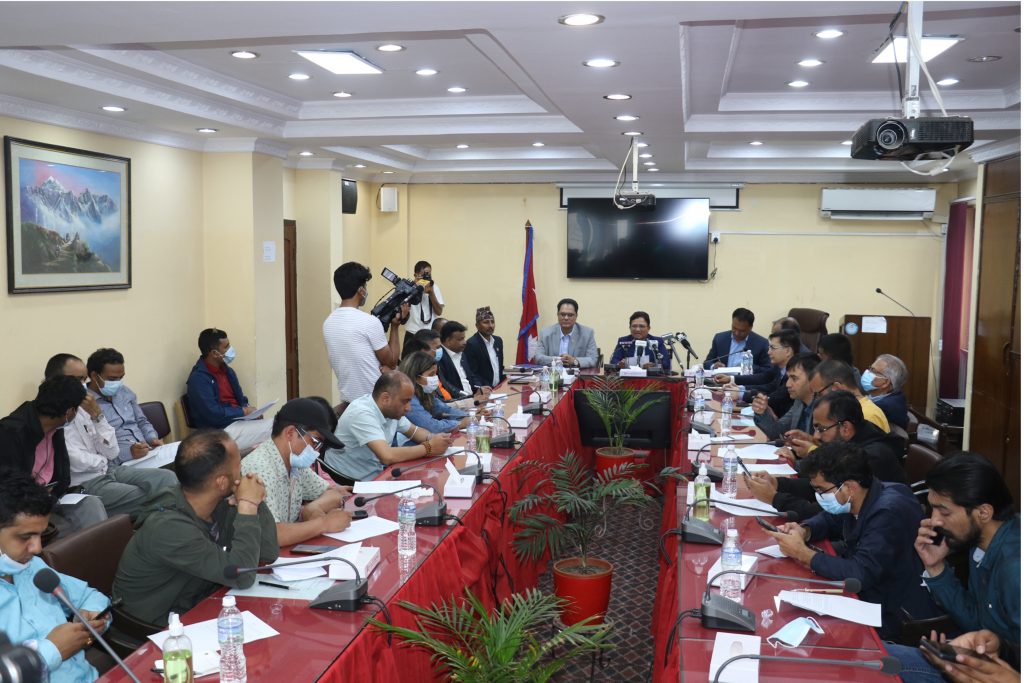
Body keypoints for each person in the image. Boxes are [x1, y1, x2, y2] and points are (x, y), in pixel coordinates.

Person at [765, 442, 941, 640]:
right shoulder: (862, 495)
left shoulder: (888, 513)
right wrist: (804, 530)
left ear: (849, 487)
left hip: (894, 615)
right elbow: (830, 518)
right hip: (871, 597)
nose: (818, 496)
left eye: (821, 490)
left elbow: (860, 574)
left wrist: (803, 553)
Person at [113, 429, 279, 625]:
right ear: (221, 482)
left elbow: (268, 553)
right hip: (153, 627)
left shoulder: (217, 501)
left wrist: (254, 501)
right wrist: (248, 505)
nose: (243, 475)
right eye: (239, 466)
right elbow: (243, 577)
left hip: (198, 604)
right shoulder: (168, 527)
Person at [887, 453, 1019, 682]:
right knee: (873, 655)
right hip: (982, 662)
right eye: (933, 509)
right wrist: (936, 567)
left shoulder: (1016, 570)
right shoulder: (980, 543)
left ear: (983, 512)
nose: (934, 520)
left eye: (944, 511)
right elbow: (976, 619)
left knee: (878, 661)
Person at [0, 471, 111, 683]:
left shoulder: (32, 567)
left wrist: (93, 616)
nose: (37, 548)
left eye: (40, 534)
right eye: (25, 537)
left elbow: (90, 596)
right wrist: (53, 649)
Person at [44, 353, 177, 519]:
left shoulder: (85, 406)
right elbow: (75, 461)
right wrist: (103, 460)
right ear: (55, 381)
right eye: (77, 380)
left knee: (167, 479)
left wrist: (98, 416)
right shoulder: (51, 413)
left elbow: (112, 451)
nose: (82, 385)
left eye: (83, 379)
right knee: (152, 496)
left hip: (110, 469)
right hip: (85, 482)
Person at [746, 390, 906, 521]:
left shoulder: (871, 457)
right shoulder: (855, 438)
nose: (815, 436)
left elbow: (826, 514)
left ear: (845, 428)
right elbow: (819, 487)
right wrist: (777, 483)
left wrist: (774, 498)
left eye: (821, 429)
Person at [0, 375, 108, 533]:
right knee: (65, 531)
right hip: (21, 508)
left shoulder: (56, 429)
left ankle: (101, 545)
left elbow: (63, 475)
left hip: (51, 498)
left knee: (91, 505)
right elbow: (9, 489)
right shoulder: (11, 433)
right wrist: (38, 495)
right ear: (70, 412)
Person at [240, 398, 351, 546]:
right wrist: (324, 524)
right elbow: (273, 535)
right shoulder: (259, 469)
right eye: (315, 442)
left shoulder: (294, 465)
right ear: (290, 433)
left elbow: (333, 493)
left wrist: (312, 508)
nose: (317, 451)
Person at [324, 372, 453, 482]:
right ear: (385, 398)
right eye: (405, 401)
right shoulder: (362, 413)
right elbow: (387, 456)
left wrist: (436, 438)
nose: (408, 408)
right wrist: (429, 447)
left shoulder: (390, 410)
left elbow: (415, 432)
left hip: (377, 475)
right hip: (347, 482)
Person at [323, 262, 406, 404]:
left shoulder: (328, 323)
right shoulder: (369, 322)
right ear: (361, 290)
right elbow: (392, 362)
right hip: (374, 400)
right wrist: (395, 326)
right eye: (365, 286)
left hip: (349, 400)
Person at [185, 328, 273, 453]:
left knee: (278, 425)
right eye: (226, 347)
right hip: (218, 431)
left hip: (237, 422)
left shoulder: (227, 371)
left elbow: (241, 399)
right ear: (214, 353)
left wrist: (251, 412)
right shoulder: (199, 379)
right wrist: (243, 412)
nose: (231, 349)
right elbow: (213, 414)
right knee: (275, 428)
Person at [86, 347, 163, 464]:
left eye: (121, 378)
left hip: (148, 453)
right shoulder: (85, 404)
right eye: (112, 379)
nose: (118, 383)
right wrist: (129, 453)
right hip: (120, 464)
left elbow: (141, 421)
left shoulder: (125, 392)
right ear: (94, 376)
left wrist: (152, 438)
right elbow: (94, 449)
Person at [719, 330, 802, 416]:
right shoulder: (778, 368)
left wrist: (742, 394)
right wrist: (739, 388)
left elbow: (774, 398)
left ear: (788, 351)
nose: (768, 352)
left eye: (773, 348)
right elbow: (766, 384)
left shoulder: (795, 375)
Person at [399, 351, 470, 433]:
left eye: (436, 374)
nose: (436, 378)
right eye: (431, 374)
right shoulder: (409, 399)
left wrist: (470, 416)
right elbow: (431, 427)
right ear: (416, 377)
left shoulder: (425, 391)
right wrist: (459, 424)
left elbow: (446, 410)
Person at [808, 360, 889, 432]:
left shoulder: (867, 415)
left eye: (819, 395)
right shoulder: (844, 412)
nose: (817, 400)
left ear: (836, 388)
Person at [751, 353, 818, 441]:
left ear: (813, 379)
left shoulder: (825, 406)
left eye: (794, 378)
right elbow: (778, 432)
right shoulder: (799, 402)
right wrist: (762, 412)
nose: (788, 384)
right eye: (788, 378)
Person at [535, 298, 598, 368]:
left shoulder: (587, 334)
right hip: (553, 373)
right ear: (557, 315)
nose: (566, 318)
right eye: (562, 314)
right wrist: (558, 360)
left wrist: (574, 361)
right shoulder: (545, 333)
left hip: (577, 374)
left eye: (570, 315)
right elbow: (538, 357)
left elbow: (593, 359)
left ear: (576, 316)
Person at [703, 307, 770, 371]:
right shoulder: (719, 339)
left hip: (747, 379)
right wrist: (714, 366)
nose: (737, 333)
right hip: (722, 378)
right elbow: (707, 362)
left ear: (750, 328)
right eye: (734, 328)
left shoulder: (762, 343)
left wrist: (749, 367)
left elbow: (767, 370)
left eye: (742, 331)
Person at [438, 320, 489, 399]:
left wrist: (479, 387)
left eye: (464, 338)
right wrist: (468, 397)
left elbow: (471, 376)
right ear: (448, 341)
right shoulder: (440, 358)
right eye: (460, 339)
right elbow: (446, 385)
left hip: (472, 398)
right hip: (458, 401)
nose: (465, 342)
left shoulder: (462, 354)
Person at [862, 353, 910, 429]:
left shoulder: (882, 408)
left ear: (886, 382)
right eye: (870, 368)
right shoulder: (896, 396)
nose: (867, 372)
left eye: (873, 371)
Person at [403, 260, 445, 346]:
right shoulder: (408, 288)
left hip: (429, 333)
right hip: (412, 332)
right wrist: (416, 288)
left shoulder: (434, 288)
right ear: (415, 275)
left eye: (429, 275)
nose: (427, 277)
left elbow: (439, 312)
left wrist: (431, 293)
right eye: (424, 275)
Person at [463, 306, 506, 387]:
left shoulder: (498, 341)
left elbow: (500, 367)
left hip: (498, 388)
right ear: (477, 325)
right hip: (484, 389)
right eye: (486, 322)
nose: (490, 325)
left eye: (492, 322)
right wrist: (483, 389)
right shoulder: (471, 344)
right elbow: (473, 373)